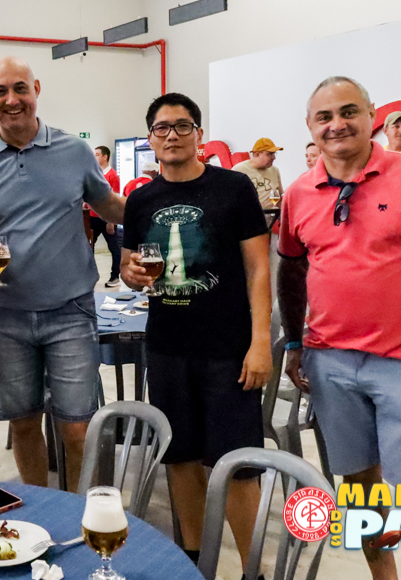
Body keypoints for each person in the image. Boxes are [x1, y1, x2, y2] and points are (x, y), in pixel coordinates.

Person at [279, 76, 401, 580]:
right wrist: (297, 342)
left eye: (348, 111)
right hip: (329, 365)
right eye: (324, 117)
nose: (337, 124)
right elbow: (291, 270)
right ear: (310, 126)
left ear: (372, 116)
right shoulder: (299, 193)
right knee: (360, 491)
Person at [0, 56, 124, 492]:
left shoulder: (74, 151)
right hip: (9, 316)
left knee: (77, 430)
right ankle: (37, 512)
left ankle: (79, 514)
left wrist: (163, 200)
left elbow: (108, 205)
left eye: (20, 88)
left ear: (36, 90)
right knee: (23, 424)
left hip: (71, 311)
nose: (11, 100)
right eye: (0, 91)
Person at [120, 93, 271, 574]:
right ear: (150, 139)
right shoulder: (140, 200)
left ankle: (252, 569)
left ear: (199, 134)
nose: (172, 135)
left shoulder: (234, 188)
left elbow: (258, 270)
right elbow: (127, 267)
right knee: (179, 457)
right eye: (162, 128)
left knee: (238, 465)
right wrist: (131, 276)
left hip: (228, 349)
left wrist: (261, 342)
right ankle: (193, 562)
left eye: (183, 126)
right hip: (167, 347)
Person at [89, 146, 123, 287]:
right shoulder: (95, 173)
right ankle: (90, 276)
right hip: (92, 216)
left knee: (114, 247)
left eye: (97, 154)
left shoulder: (112, 175)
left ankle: (115, 276)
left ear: (105, 157)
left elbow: (114, 198)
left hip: (106, 217)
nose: (94, 156)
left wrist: (111, 221)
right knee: (88, 247)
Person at [231, 138, 284, 210]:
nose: (273, 157)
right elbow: (230, 197)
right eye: (269, 154)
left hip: (271, 216)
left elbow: (279, 197)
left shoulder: (274, 171)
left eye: (274, 154)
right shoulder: (239, 170)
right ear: (256, 154)